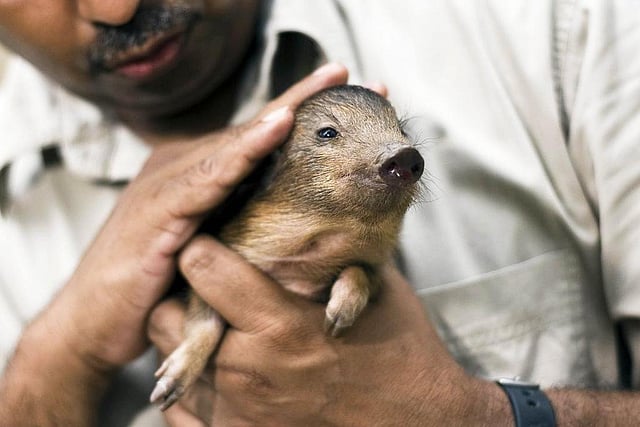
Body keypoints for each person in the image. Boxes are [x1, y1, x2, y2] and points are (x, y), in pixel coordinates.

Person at [1, 0, 640, 425]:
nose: (115, 6)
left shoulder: (557, 27)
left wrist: (472, 416)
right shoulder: (15, 201)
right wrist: (60, 352)